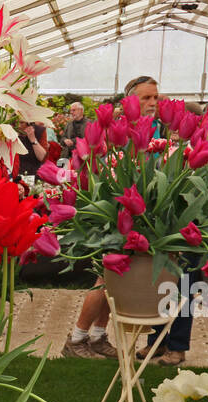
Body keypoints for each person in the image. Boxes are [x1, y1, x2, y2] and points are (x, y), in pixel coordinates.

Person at [63, 77, 160, 361]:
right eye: (146, 98)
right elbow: (101, 165)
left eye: (156, 97)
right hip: (112, 208)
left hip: (137, 209)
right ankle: (77, 338)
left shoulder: (154, 126)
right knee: (103, 277)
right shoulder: (118, 128)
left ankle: (97, 336)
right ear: (129, 101)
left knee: (115, 277)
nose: (153, 103)